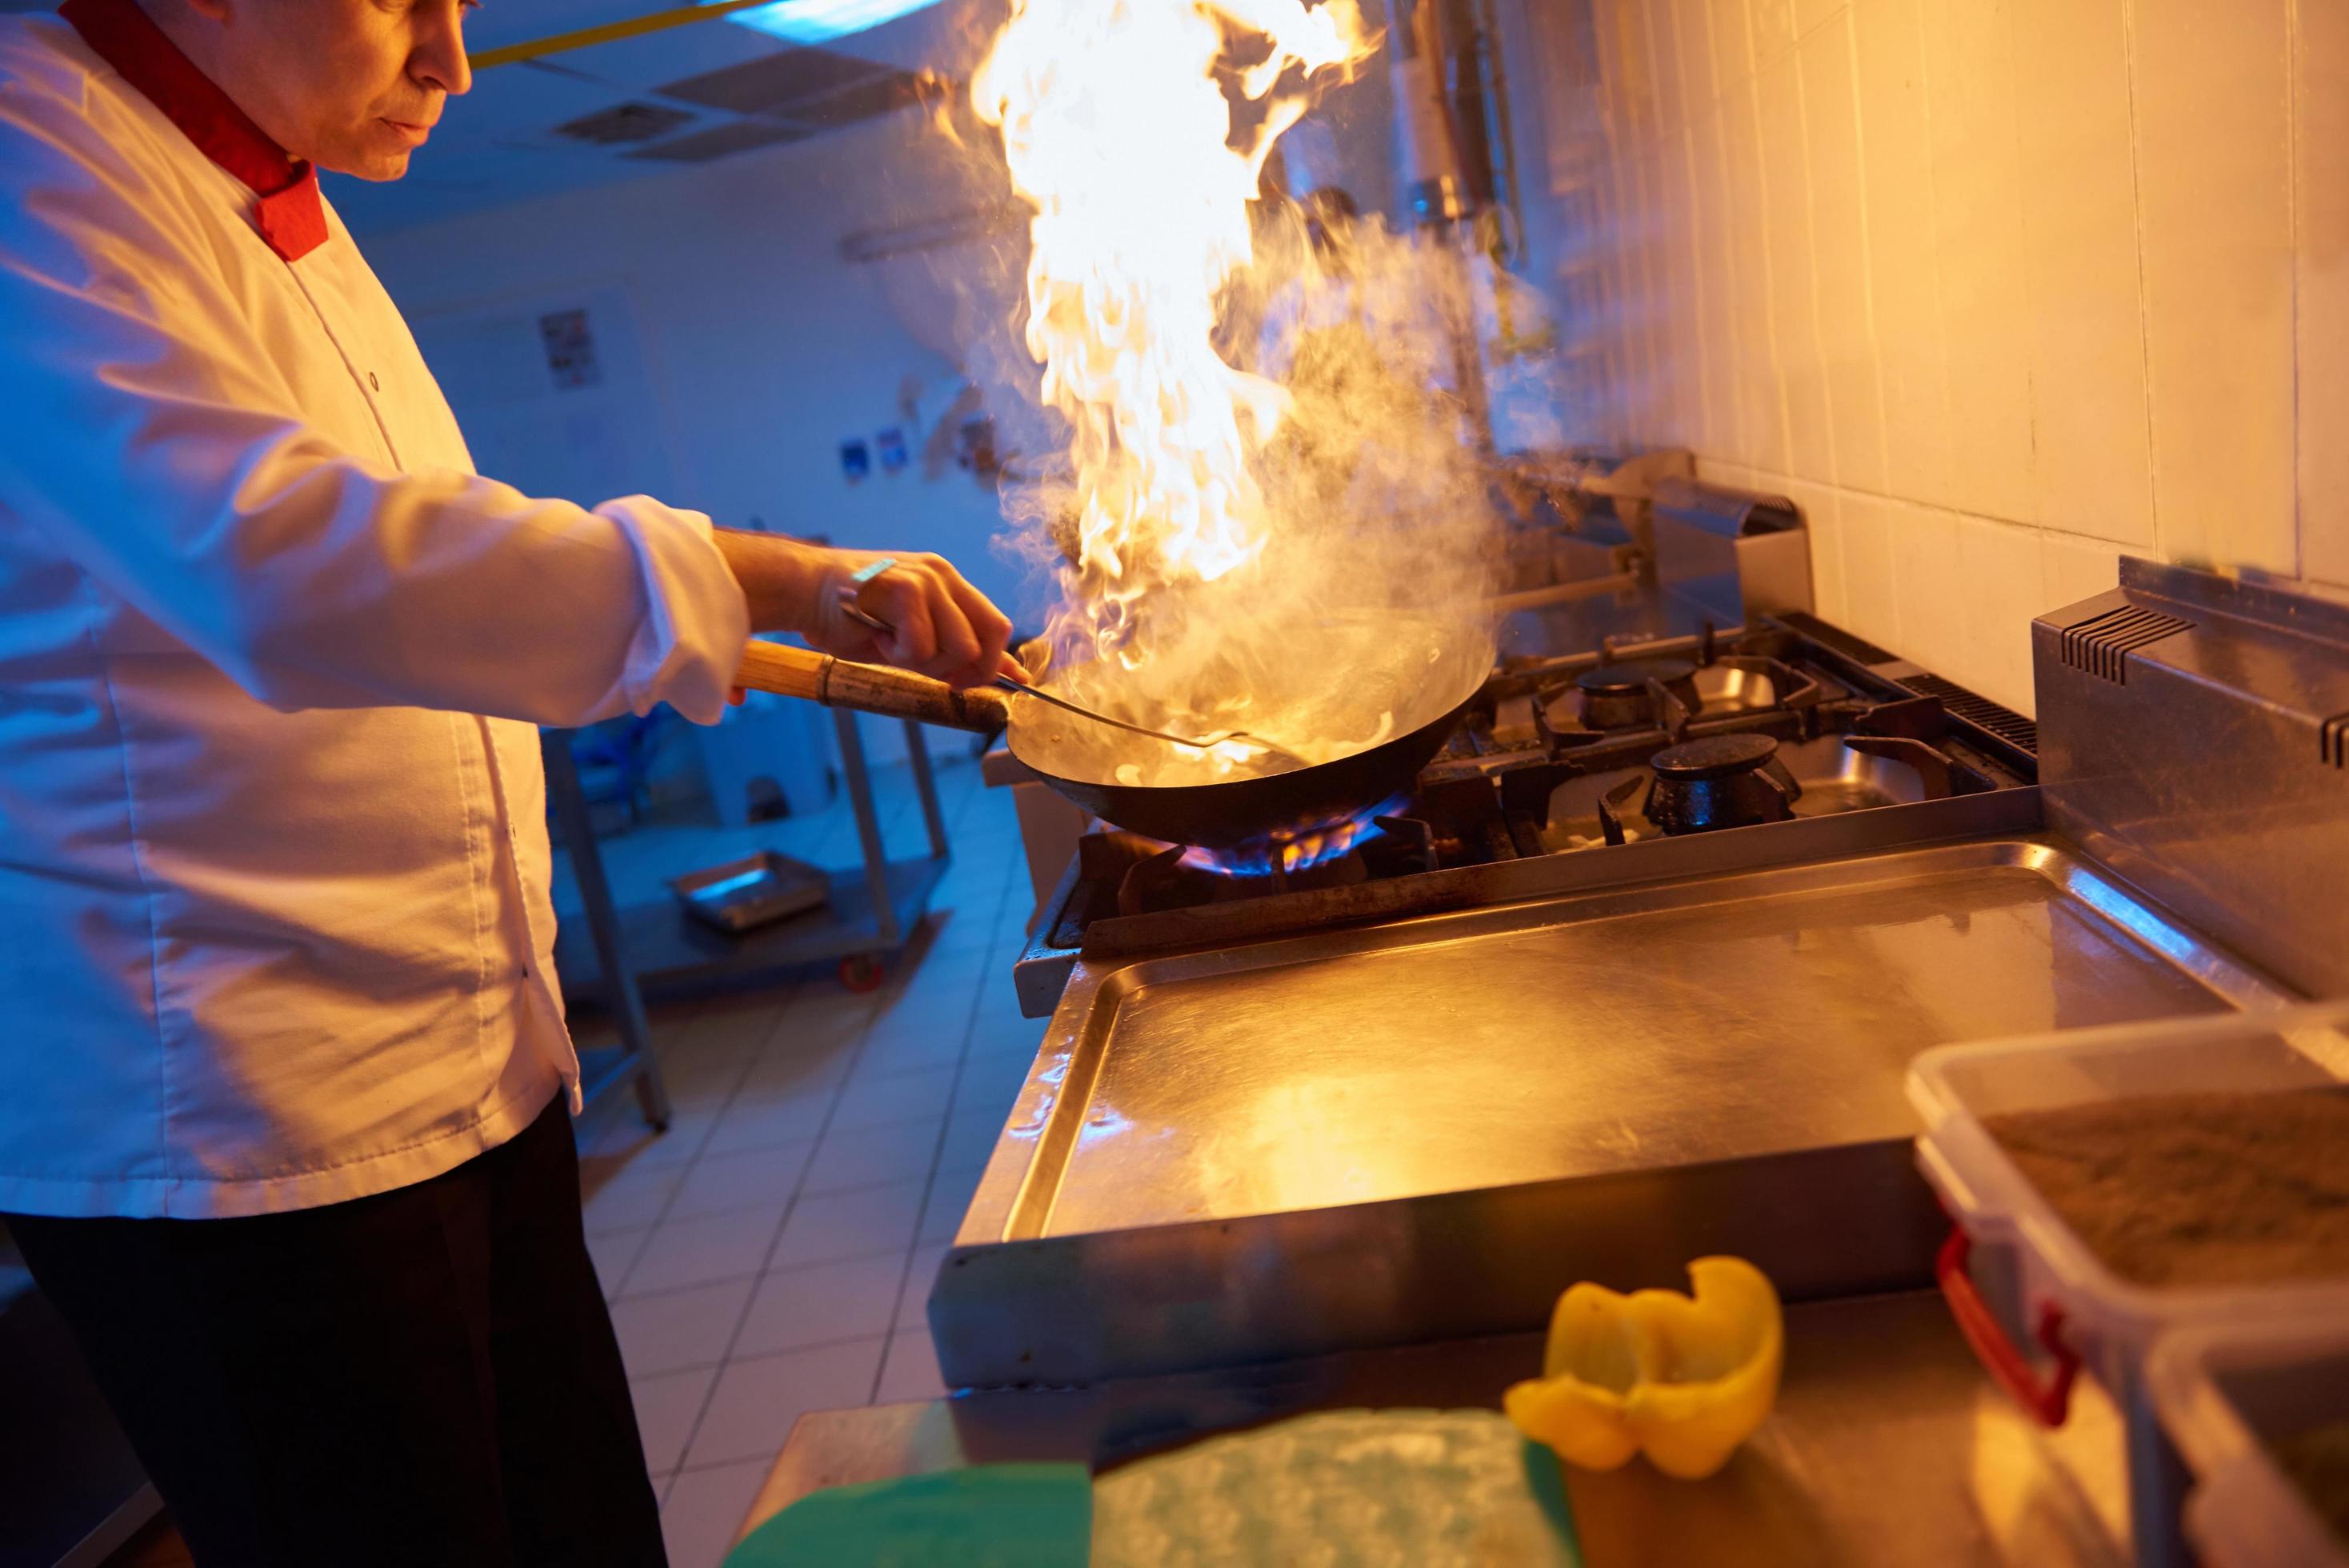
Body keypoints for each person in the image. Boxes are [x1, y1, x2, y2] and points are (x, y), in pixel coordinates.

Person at [0, 0, 1019, 1562]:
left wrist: (762, 595)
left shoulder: (281, 195)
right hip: (242, 1119)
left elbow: (437, 525)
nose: (453, 59)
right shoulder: (30, 160)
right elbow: (292, 568)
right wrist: (778, 580)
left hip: (465, 1057)